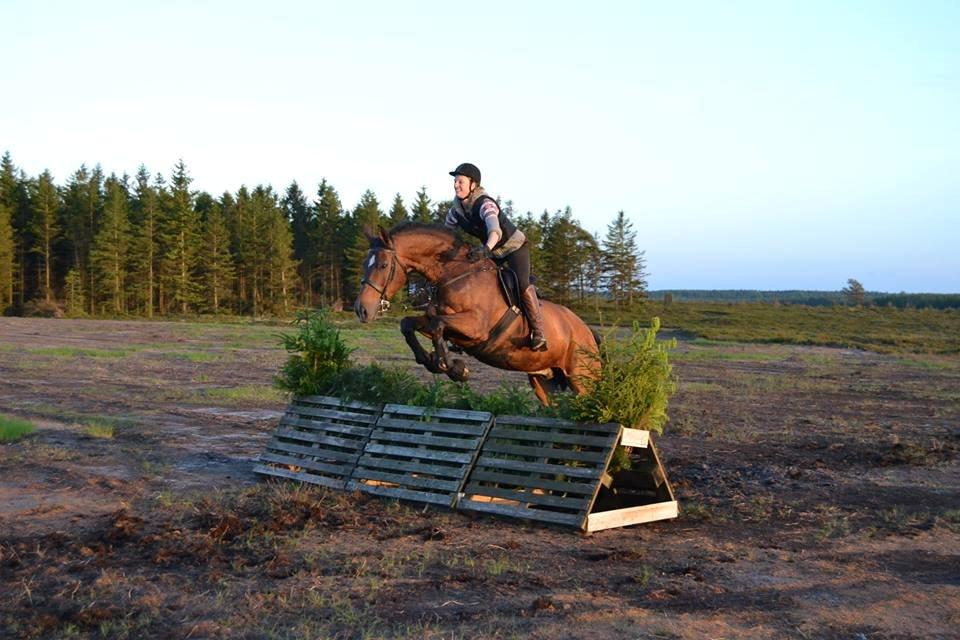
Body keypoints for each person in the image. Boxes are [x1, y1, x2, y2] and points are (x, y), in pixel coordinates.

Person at [444, 163, 547, 351]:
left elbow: (495, 230)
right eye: (455, 181)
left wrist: (485, 249)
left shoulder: (485, 204)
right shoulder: (455, 211)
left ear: (473, 184)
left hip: (513, 246)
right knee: (475, 279)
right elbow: (446, 235)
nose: (456, 185)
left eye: (460, 181)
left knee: (522, 284)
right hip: (491, 250)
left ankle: (538, 331)